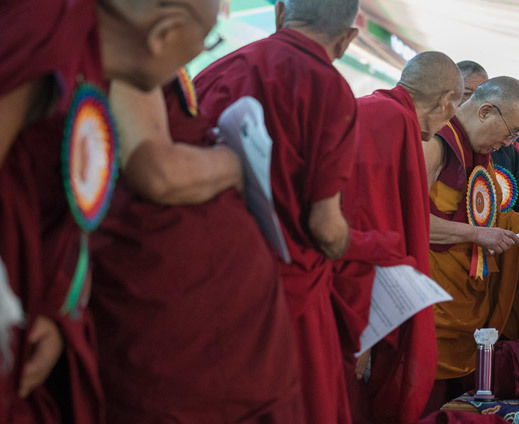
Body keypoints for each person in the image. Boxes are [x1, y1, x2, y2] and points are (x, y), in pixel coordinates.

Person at [0, 0, 218, 421]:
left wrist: (50, 311)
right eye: (207, 41)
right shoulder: (46, 28)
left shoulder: (92, 68)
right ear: (164, 32)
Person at [89, 70, 305, 422]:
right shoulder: (132, 58)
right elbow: (157, 171)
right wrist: (232, 163)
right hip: (178, 318)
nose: (204, 42)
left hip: (222, 321)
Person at [193, 0, 361, 422]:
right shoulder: (329, 87)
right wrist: (348, 244)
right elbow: (324, 227)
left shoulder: (217, 69)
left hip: (209, 274)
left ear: (280, 11)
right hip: (286, 293)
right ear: (347, 38)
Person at [424, 76, 519, 406]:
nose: (508, 144)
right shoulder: (434, 144)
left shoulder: (482, 156)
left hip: (469, 313)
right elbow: (408, 220)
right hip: (431, 307)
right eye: (511, 132)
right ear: (487, 111)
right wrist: (477, 235)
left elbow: (485, 221)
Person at [334, 51, 463, 424]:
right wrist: (365, 330)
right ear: (446, 102)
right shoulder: (393, 122)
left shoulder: (372, 110)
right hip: (356, 302)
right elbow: (367, 225)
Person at [457, 61, 519, 212]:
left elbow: (518, 210)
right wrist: (480, 234)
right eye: (467, 93)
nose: (507, 143)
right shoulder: (436, 139)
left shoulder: (502, 149)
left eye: (515, 135)